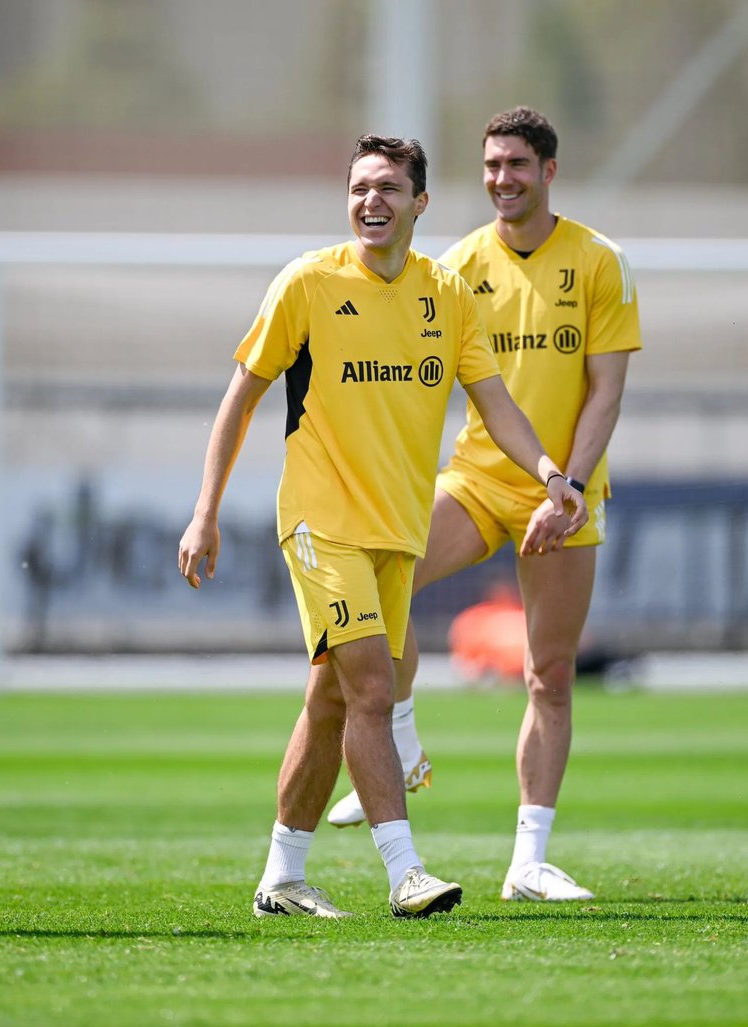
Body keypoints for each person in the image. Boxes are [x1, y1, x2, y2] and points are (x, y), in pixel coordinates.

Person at [178, 134, 587, 919]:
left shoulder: (446, 293)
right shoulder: (308, 281)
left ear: (420, 203)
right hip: (319, 521)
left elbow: (494, 402)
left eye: (390, 189)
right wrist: (206, 511)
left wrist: (550, 474)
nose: (372, 201)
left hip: (397, 531)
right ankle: (406, 872)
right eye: (361, 187)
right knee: (372, 686)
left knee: (330, 702)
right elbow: (242, 395)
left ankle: (281, 877)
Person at [326, 107, 641, 903]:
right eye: (492, 165)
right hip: (475, 481)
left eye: (517, 165)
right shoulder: (459, 265)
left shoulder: (599, 262)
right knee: (381, 589)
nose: (502, 179)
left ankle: (527, 861)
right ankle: (403, 746)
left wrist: (566, 484)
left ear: (548, 172)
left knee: (551, 673)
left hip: (565, 491)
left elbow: (606, 393)